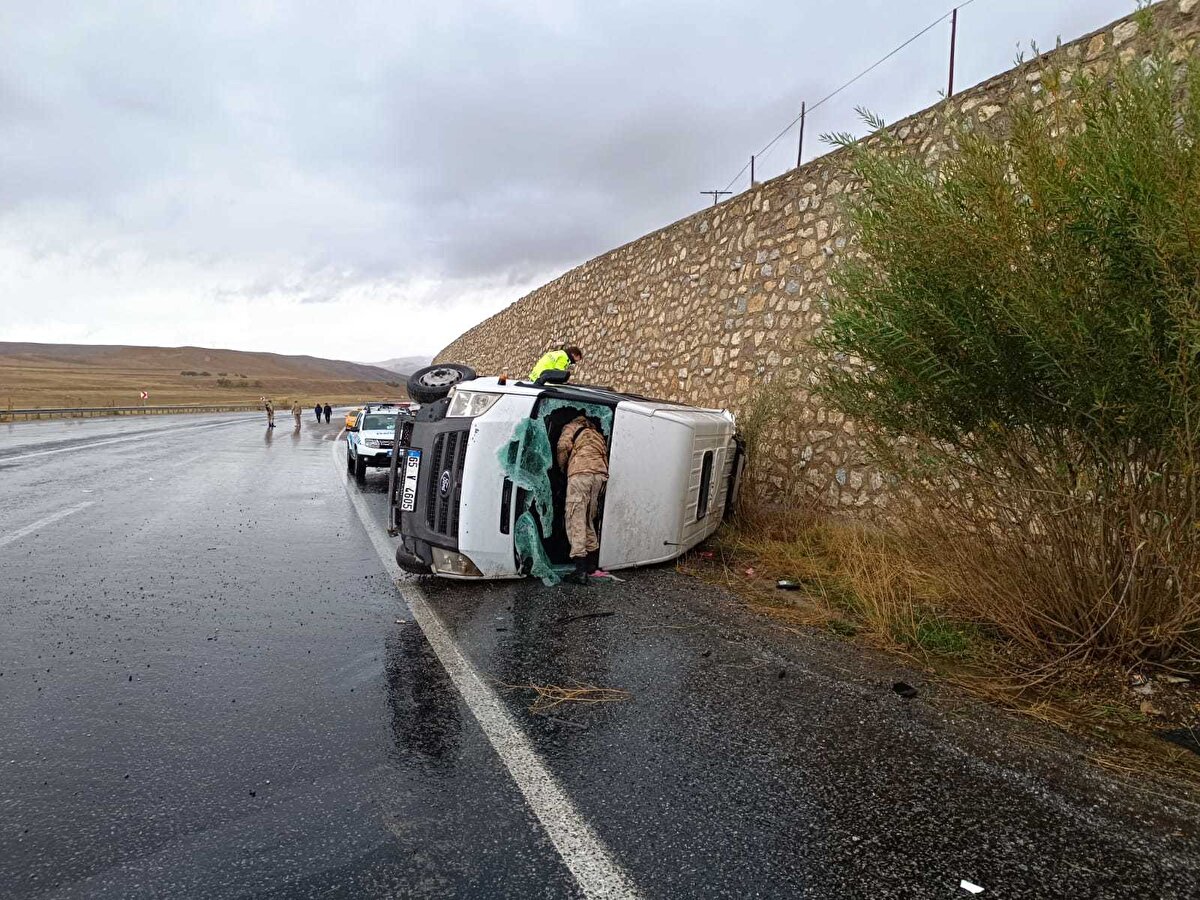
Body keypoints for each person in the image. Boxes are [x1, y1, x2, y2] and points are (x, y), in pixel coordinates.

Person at [556, 414, 609, 585]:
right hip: (600, 476)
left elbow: (562, 446)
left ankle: (580, 571)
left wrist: (562, 468)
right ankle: (592, 564)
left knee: (575, 518)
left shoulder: (571, 427)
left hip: (580, 474)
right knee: (588, 518)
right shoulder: (596, 434)